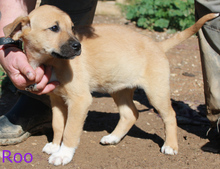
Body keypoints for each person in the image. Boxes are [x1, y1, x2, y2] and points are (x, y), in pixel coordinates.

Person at [0, 0, 98, 145]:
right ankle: (35, 101)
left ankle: (54, 95)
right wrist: (7, 47)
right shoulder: (23, 26)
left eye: (71, 28)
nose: (75, 41)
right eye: (54, 28)